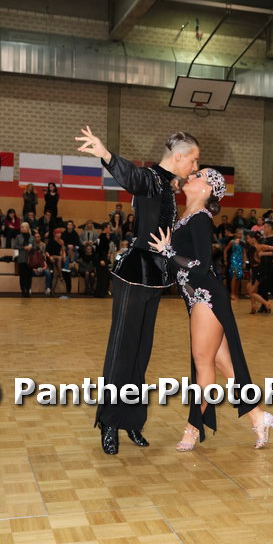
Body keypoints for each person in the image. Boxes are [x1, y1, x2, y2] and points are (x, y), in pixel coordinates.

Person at [75, 125, 200, 455]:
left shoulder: (168, 187)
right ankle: (109, 422)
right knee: (122, 350)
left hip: (155, 274)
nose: (195, 167)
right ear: (179, 157)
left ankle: (131, 420)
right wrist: (105, 154)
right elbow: (132, 178)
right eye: (194, 160)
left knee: (141, 352)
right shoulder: (151, 178)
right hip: (134, 274)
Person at [149, 168, 273, 451]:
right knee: (223, 364)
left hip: (205, 298)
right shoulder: (186, 216)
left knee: (202, 364)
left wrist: (168, 251)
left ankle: (192, 428)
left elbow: (202, 264)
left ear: (207, 189)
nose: (191, 176)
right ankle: (258, 416)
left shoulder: (200, 219)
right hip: (198, 297)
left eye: (198, 176)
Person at [224, 229, 246, 301]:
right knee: (234, 276)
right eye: (239, 233)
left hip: (240, 260)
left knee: (239, 277)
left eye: (241, 233)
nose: (240, 235)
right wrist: (225, 259)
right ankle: (232, 293)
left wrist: (244, 262)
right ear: (236, 234)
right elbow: (225, 250)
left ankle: (236, 293)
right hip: (234, 259)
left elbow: (244, 253)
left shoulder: (242, 242)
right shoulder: (232, 242)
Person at [14, 222, 35, 297]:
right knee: (22, 276)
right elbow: (15, 246)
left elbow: (35, 247)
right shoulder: (18, 236)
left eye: (23, 227)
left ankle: (28, 289)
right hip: (21, 258)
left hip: (30, 259)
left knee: (29, 276)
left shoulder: (32, 237)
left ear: (27, 228)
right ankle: (23, 290)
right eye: (21, 227)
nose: (21, 228)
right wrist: (24, 247)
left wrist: (31, 247)